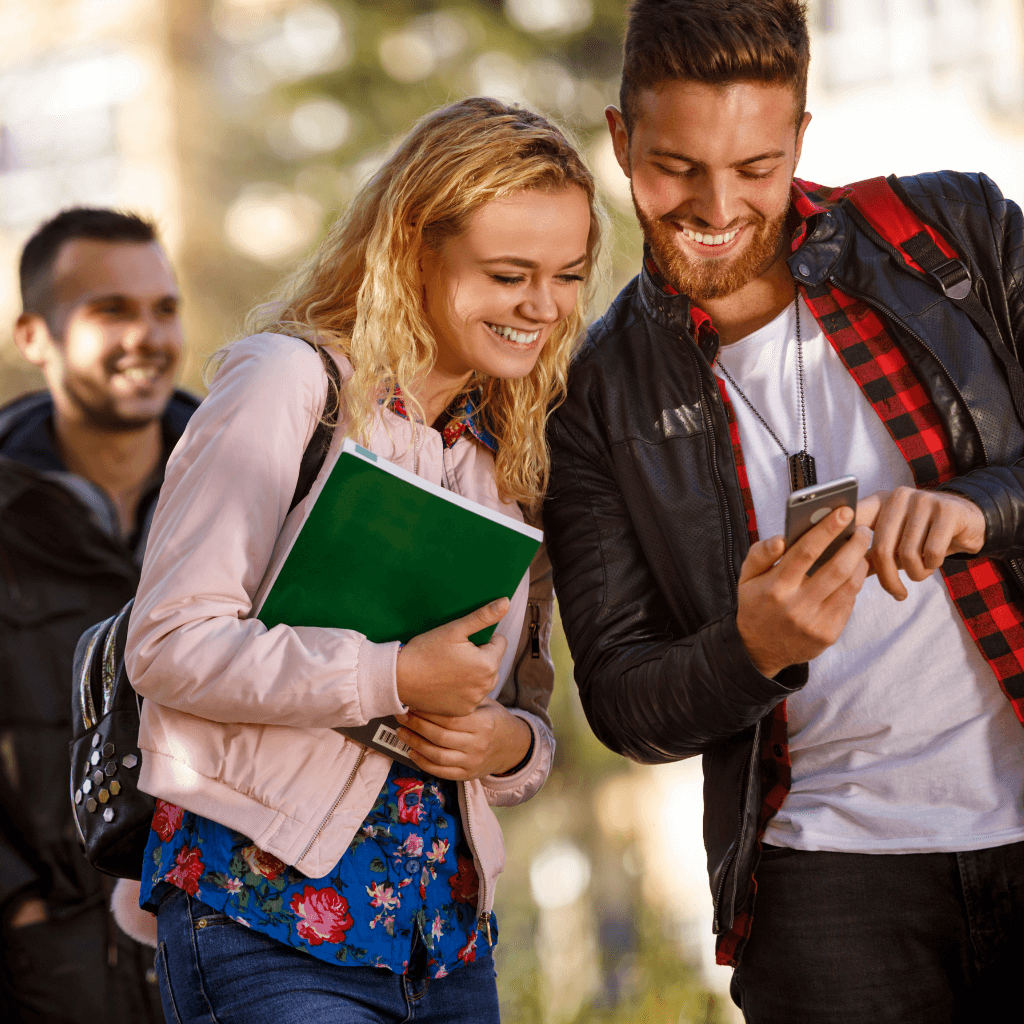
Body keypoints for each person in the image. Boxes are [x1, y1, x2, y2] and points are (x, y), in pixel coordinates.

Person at [543, 1, 1024, 1021]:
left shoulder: (953, 234)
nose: (716, 207)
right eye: (675, 167)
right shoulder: (598, 392)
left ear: (800, 136)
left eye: (754, 167)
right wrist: (750, 648)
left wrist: (977, 508)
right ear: (621, 137)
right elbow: (623, 699)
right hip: (825, 889)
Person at [118, 97, 600, 1024]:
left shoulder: (511, 454)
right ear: (416, 246)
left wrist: (507, 746)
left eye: (568, 276)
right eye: (509, 274)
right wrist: (389, 674)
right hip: (264, 920)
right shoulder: (287, 385)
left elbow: (523, 717)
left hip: (449, 942)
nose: (543, 308)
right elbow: (167, 645)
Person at [0, 207, 195, 1022]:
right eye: (109, 310)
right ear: (34, 336)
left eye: (162, 308)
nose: (145, 336)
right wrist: (19, 914)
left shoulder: (258, 493)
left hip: (224, 957)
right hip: (43, 977)